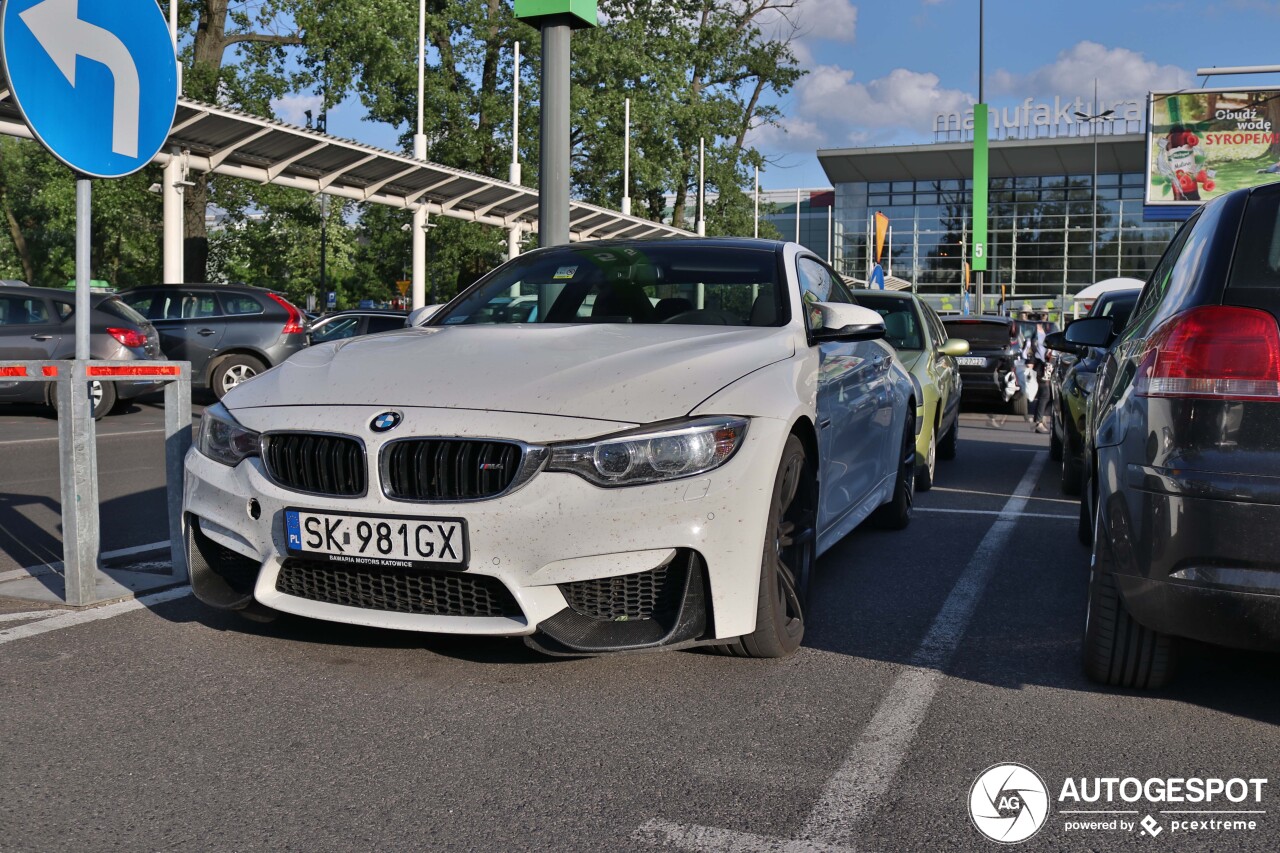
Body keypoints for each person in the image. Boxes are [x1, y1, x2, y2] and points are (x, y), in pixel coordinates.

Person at [1027, 317, 1052, 433]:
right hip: (1040, 367)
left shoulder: (1043, 333)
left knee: (1046, 395)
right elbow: (1030, 351)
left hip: (1044, 367)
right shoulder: (1034, 336)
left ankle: (1040, 419)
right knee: (1045, 394)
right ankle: (1039, 421)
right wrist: (1030, 365)